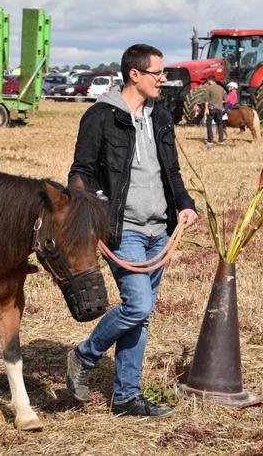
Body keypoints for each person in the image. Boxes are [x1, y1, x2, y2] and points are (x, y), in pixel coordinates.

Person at [67, 44, 199, 418]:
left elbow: (170, 171)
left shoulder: (161, 116)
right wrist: (89, 219)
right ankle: (83, 356)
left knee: (142, 315)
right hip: (122, 229)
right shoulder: (100, 117)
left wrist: (185, 204)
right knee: (137, 305)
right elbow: (81, 172)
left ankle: (126, 398)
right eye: (157, 72)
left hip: (160, 229)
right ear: (134, 74)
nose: (163, 79)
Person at [204, 75, 226, 146]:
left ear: (210, 80)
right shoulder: (221, 88)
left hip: (211, 108)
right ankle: (221, 140)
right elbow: (225, 99)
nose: (207, 82)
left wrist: (206, 109)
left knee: (209, 123)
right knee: (220, 124)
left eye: (208, 81)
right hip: (219, 109)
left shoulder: (209, 88)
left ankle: (210, 141)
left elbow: (206, 100)